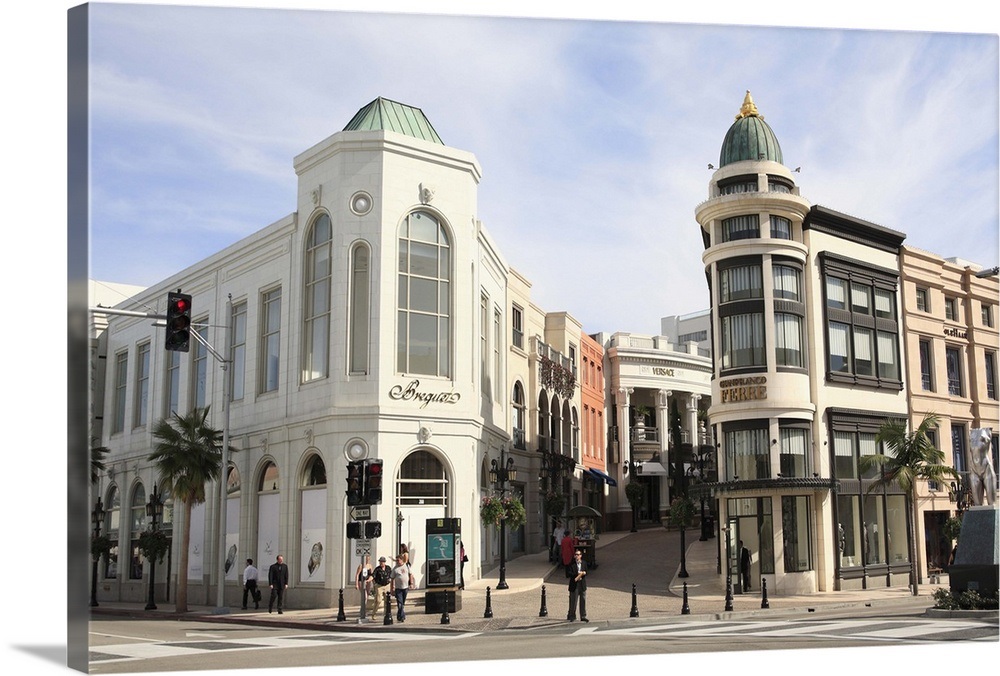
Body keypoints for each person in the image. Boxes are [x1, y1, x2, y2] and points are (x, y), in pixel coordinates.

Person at [390, 554, 415, 622]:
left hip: (405, 587)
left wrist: (411, 583)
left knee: (402, 603)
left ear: (402, 560)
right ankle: (402, 617)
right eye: (396, 560)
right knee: (400, 603)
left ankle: (399, 615)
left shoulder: (406, 566)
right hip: (398, 588)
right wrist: (392, 589)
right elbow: (392, 579)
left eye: (398, 560)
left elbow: (410, 575)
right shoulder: (395, 568)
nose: (397, 562)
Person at [566, 549, 589, 622]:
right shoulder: (571, 564)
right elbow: (568, 574)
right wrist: (577, 574)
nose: (577, 556)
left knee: (583, 600)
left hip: (582, 584)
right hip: (574, 584)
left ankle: (583, 615)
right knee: (573, 601)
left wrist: (584, 573)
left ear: (581, 556)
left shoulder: (584, 563)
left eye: (578, 555)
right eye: (575, 555)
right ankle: (572, 615)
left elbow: (587, 571)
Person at [354, 554, 372, 623]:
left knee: (367, 596)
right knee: (365, 596)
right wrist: (356, 584)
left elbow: (371, 574)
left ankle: (363, 610)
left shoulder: (370, 566)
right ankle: (362, 611)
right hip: (362, 582)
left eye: (368, 558)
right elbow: (357, 574)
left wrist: (371, 580)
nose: (367, 559)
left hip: (368, 582)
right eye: (367, 558)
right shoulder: (361, 565)